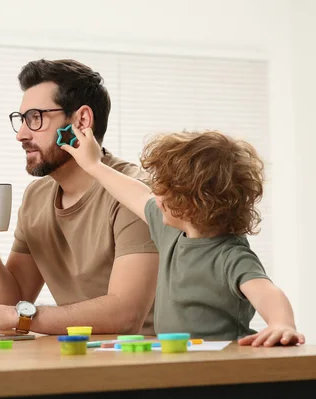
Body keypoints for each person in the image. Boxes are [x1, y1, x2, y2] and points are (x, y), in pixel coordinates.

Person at [0, 59, 159, 335]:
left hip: (145, 364)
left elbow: (125, 315)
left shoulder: (134, 195)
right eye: (21, 120)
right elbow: (11, 307)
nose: (21, 134)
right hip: (76, 358)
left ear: (81, 121)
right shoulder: (37, 197)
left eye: (36, 118)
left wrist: (13, 315)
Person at [61, 126, 304, 346]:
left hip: (222, 364)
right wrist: (93, 165)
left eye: (163, 190)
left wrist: (281, 323)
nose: (155, 194)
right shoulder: (171, 231)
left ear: (191, 203)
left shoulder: (231, 256)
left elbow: (266, 291)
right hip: (177, 357)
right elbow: (134, 193)